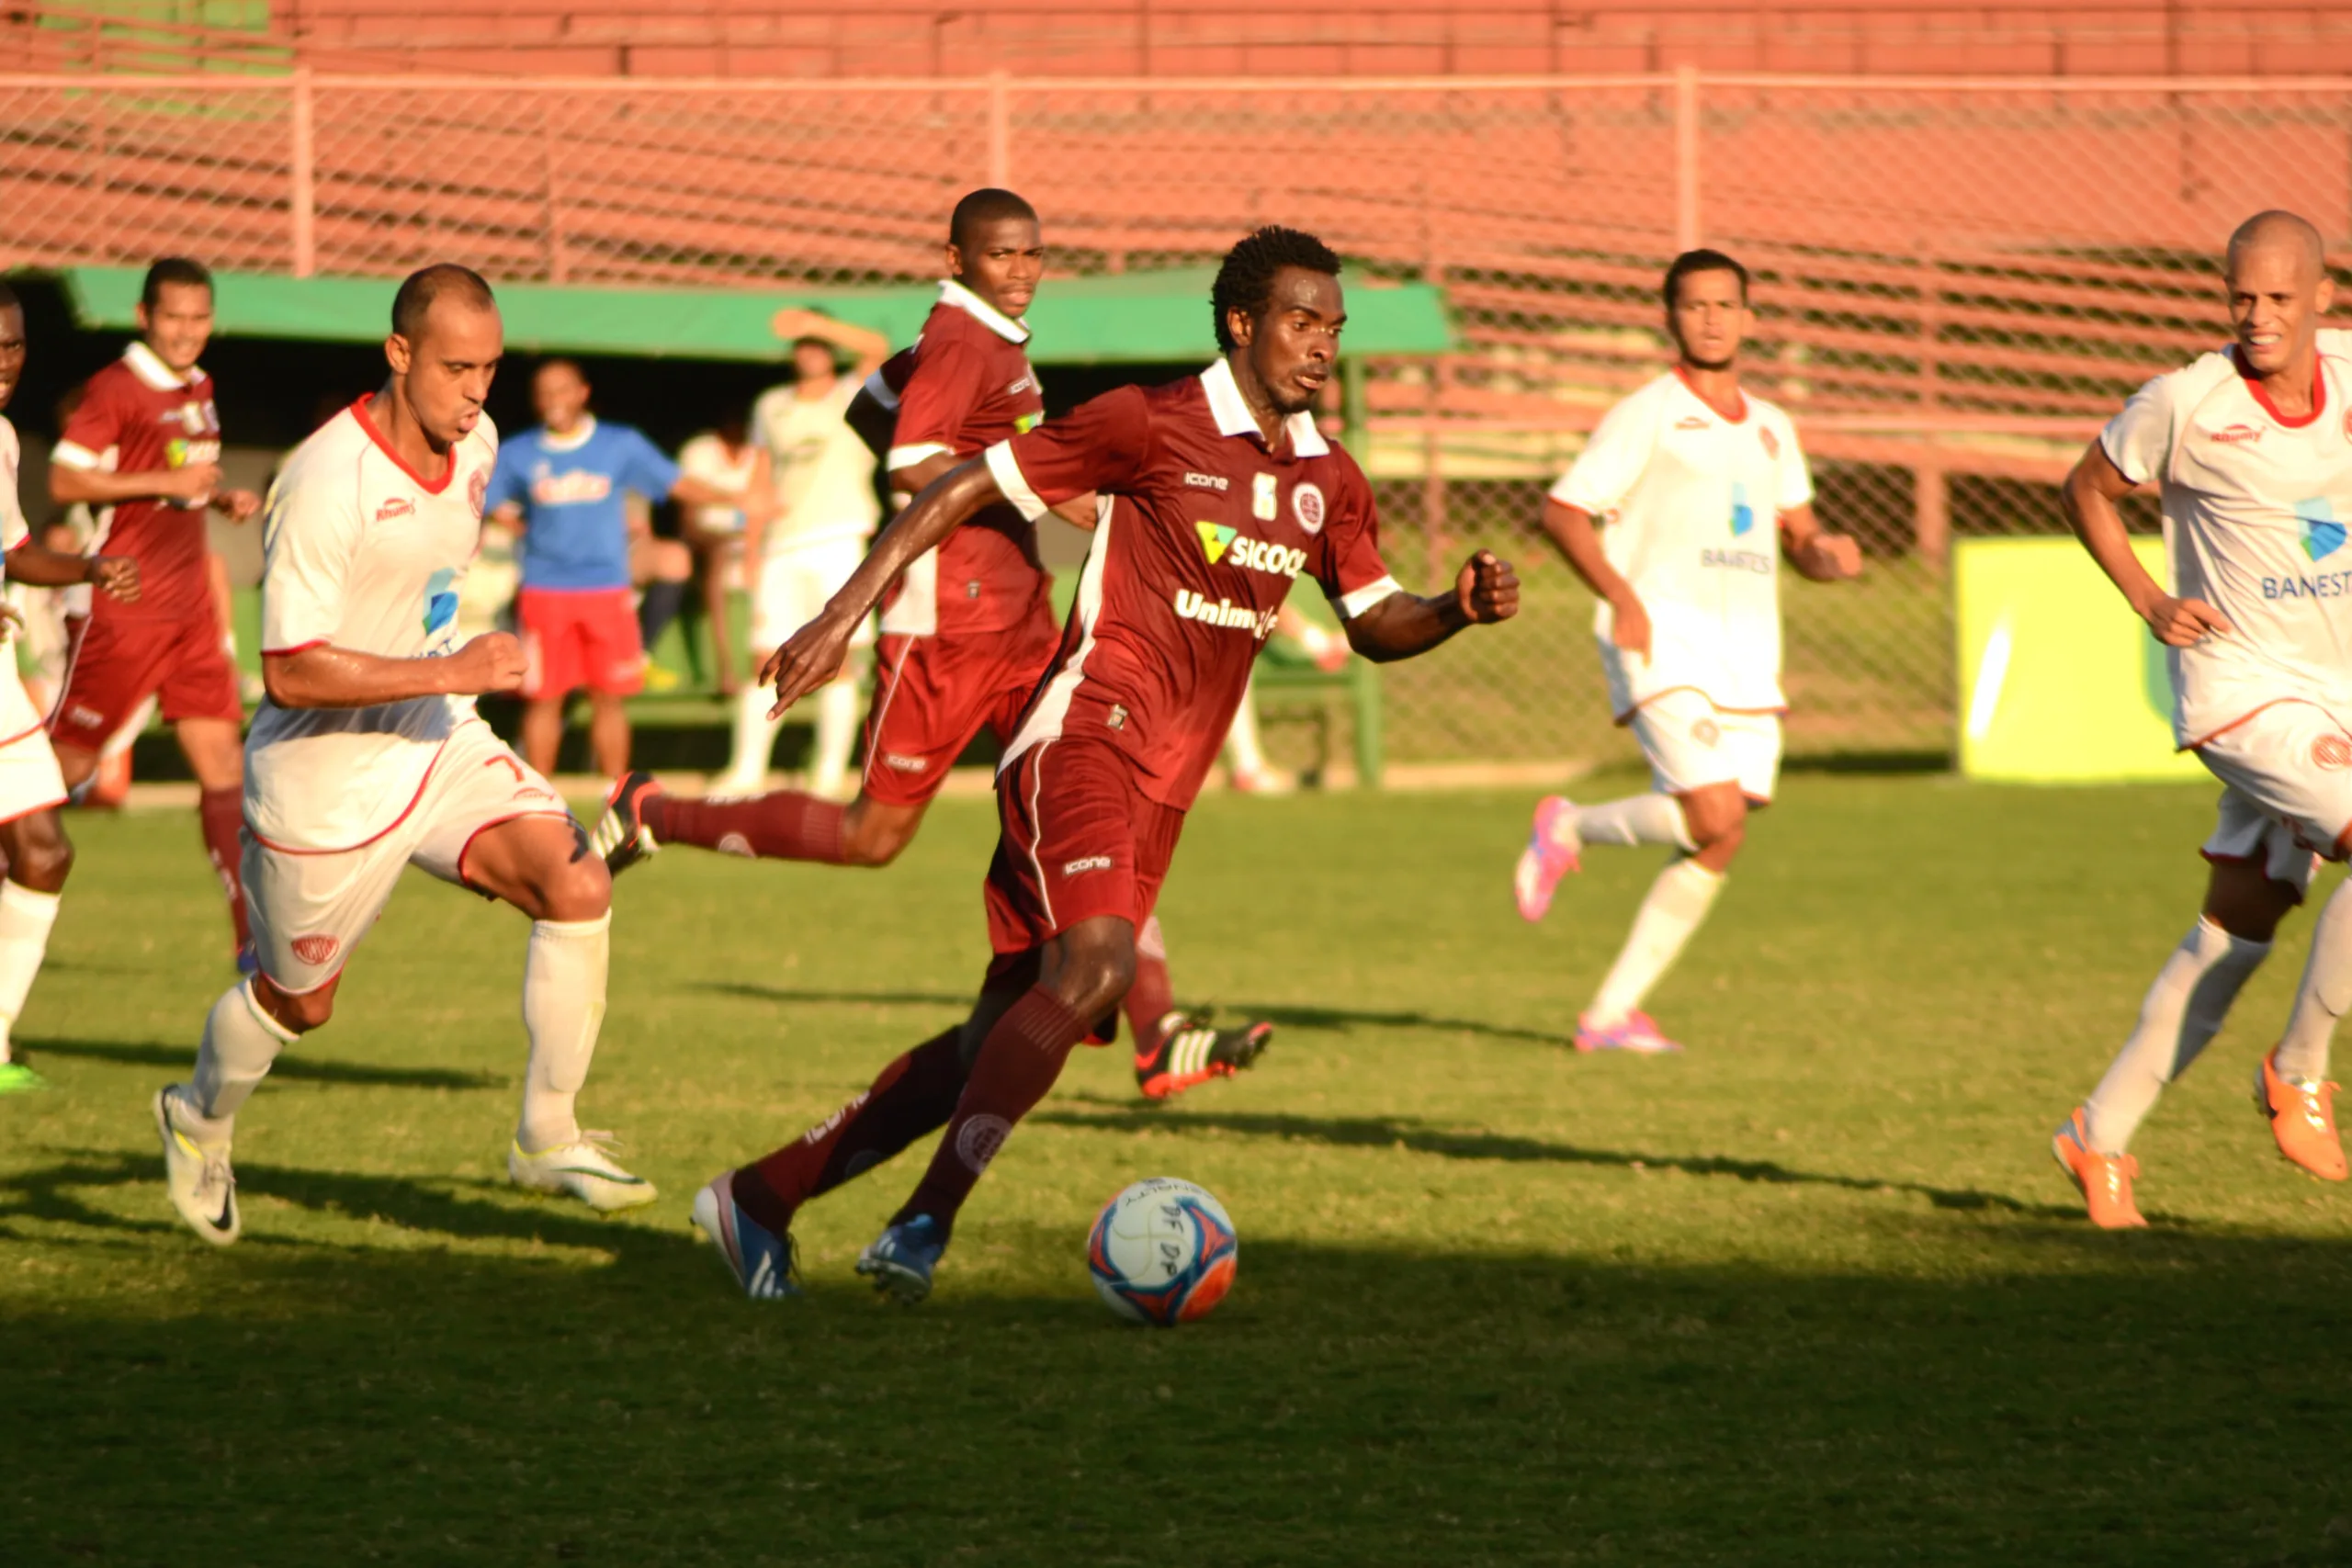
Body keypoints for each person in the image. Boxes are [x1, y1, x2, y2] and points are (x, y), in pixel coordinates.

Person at [684, 225, 1521, 1303]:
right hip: (1078, 735)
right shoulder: (1147, 420)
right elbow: (966, 486)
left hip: (1162, 788)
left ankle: (757, 1197)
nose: (1321, 347)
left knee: (997, 1035)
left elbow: (1371, 619)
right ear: (1242, 322)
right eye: (1303, 323)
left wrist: (1455, 608)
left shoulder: (1328, 478)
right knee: (1099, 975)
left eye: (1334, 329)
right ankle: (919, 1228)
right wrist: (843, 618)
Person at [596, 188, 1274, 1100]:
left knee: (1092, 804)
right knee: (871, 836)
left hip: (1020, 619)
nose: (1022, 271)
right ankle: (657, 811)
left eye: (1033, 254)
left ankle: (1159, 1032)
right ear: (956, 260)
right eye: (1001, 256)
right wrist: (1037, 493)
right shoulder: (962, 341)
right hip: (944, 626)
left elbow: (874, 406)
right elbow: (911, 460)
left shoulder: (966, 339)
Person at [152, 265, 653, 1246]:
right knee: (300, 1005)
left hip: (433, 739)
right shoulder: (325, 481)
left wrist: (451, 676)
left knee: (578, 886)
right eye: (457, 368)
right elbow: (291, 672)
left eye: (490, 368)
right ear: (398, 354)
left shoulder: (482, 445)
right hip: (319, 783)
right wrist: (455, 663)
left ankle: (545, 1136)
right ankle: (198, 1116)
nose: (476, 391)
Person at [2049, 209, 2352, 1228]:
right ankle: (2299, 1069)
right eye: (2240, 298)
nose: (2257, 318)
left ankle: (2097, 1137)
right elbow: (2086, 487)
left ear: (2321, 296)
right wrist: (2147, 599)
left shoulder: (2350, 375)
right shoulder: (2185, 400)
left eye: (2277, 298)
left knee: (2237, 929)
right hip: (2237, 691)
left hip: (2333, 691)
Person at [1511, 248, 1860, 1054]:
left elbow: (1800, 535)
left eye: (1725, 304)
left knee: (1723, 832)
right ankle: (1565, 828)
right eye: (1694, 304)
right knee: (1715, 810)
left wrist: (1827, 557)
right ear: (1669, 317)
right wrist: (1621, 594)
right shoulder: (1648, 413)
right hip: (1659, 638)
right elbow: (1564, 511)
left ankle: (1608, 1014)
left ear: (1750, 317)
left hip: (1745, 657)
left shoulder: (1775, 428)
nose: (1711, 317)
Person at [46, 257, 261, 964]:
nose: (187, 331)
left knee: (224, 761)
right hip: (125, 606)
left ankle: (249, 937)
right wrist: (164, 479)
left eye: (200, 318)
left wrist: (213, 495)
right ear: (145, 316)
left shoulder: (200, 386)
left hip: (190, 610)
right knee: (65, 765)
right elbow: (65, 474)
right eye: (173, 317)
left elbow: (178, 480)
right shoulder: (117, 386)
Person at [0, 284, 143, 1093]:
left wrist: (91, 566)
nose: (3, 363)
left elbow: (12, 551)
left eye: (13, 347)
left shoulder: (3, 439)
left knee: (44, 852)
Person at [484, 357, 750, 780]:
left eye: (562, 389)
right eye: (545, 392)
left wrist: (737, 500)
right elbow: (484, 499)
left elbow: (675, 482)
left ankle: (615, 794)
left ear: (583, 393)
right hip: (544, 591)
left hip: (606, 590)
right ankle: (537, 799)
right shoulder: (519, 453)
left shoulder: (619, 444)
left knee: (608, 697)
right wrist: (510, 520)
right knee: (544, 699)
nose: (554, 400)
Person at [710, 311, 890, 797]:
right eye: (802, 344)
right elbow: (761, 476)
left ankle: (828, 774)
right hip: (781, 546)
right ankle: (747, 771)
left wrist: (816, 322)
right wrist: (751, 546)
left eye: (817, 343)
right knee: (764, 657)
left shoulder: (850, 392)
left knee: (840, 658)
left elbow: (878, 346)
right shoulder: (771, 405)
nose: (809, 351)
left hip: (839, 538)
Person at [675, 403, 759, 698]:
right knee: (720, 554)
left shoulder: (762, 453)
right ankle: (726, 671)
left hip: (756, 541)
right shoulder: (699, 451)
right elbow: (688, 521)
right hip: (708, 542)